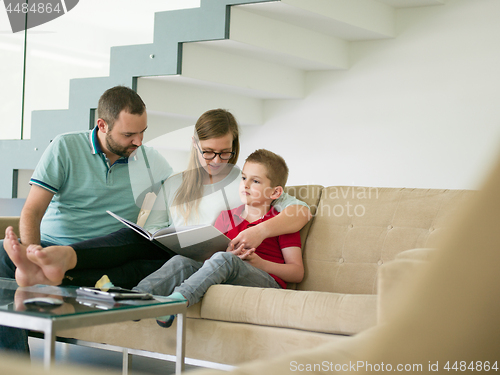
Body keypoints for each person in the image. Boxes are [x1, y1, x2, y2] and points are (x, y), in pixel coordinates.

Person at [4, 109, 310, 293]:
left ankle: (51, 273)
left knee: (144, 267)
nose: (216, 160)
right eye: (208, 152)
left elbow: (300, 210)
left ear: (235, 148)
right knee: (132, 239)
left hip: (197, 264)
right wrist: (155, 233)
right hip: (169, 251)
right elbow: (153, 229)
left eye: (225, 152)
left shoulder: (246, 183)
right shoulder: (176, 182)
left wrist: (258, 232)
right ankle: (60, 264)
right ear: (194, 145)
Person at [0, 86, 173, 353]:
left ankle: (50, 276)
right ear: (102, 125)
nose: (138, 141)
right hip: (49, 248)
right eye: (128, 134)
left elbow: (174, 208)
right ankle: (15, 366)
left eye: (142, 132)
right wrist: (34, 254)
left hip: (103, 256)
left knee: (153, 252)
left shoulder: (151, 162)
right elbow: (32, 211)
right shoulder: (65, 147)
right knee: (1, 253)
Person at [134, 149, 304, 327]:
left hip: (267, 281)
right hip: (229, 272)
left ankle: (176, 302)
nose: (245, 185)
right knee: (181, 262)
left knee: (226, 259)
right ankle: (134, 298)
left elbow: (297, 273)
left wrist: (260, 264)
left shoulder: (281, 223)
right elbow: (212, 259)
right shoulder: (226, 217)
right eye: (244, 178)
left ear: (275, 193)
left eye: (255, 181)